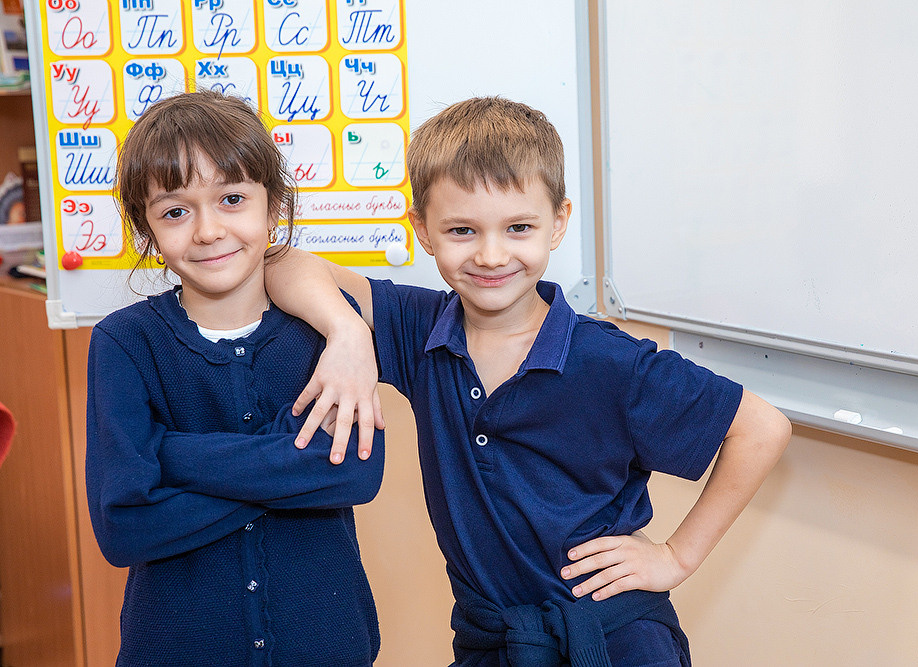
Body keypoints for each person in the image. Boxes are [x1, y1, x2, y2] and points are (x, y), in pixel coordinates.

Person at [266, 96, 793, 666]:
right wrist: (347, 333)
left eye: (518, 228)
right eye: (462, 230)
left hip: (614, 641)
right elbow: (281, 263)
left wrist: (676, 557)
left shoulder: (613, 362)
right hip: (492, 640)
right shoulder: (418, 329)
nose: (492, 255)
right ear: (422, 229)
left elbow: (762, 429)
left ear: (558, 222)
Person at [86, 90, 386, 666]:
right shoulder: (124, 343)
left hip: (324, 643)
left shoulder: (321, 331)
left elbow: (355, 472)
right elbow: (124, 527)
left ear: (273, 207)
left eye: (231, 199)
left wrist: (169, 456)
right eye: (175, 211)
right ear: (143, 228)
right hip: (176, 649)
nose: (206, 231)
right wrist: (290, 470)